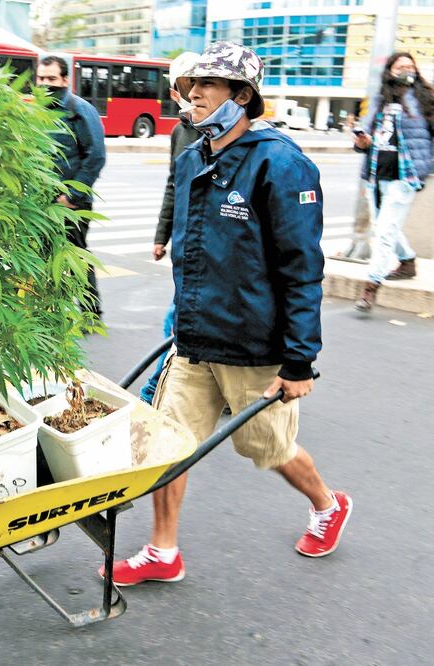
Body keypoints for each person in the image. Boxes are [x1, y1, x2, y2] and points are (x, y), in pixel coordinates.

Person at [102, 42, 352, 587]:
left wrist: (300, 362)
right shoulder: (194, 157)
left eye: (209, 85)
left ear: (242, 97)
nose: (193, 93)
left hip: (252, 344)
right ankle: (162, 550)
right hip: (195, 338)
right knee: (169, 444)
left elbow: (301, 269)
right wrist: (179, 318)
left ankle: (328, 504)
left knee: (269, 448)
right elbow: (195, 251)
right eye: (193, 84)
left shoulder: (281, 164)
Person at [140, 51, 201, 404]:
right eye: (183, 88)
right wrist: (162, 234)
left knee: (177, 321)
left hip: (205, 242)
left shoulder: (226, 134)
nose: (191, 94)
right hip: (185, 238)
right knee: (182, 316)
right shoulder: (181, 131)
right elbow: (174, 183)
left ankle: (153, 392)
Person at [353, 52, 434, 312]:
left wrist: (426, 168)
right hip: (378, 173)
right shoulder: (380, 99)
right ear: (390, 70)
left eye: (410, 66)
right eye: (401, 66)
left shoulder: (425, 99)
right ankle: (408, 260)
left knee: (385, 230)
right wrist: (361, 141)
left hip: (406, 175)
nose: (406, 70)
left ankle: (371, 286)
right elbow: (364, 132)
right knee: (384, 224)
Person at [36, 55, 106, 319]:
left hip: (71, 203)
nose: (45, 84)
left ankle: (90, 312)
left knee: (75, 256)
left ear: (65, 80)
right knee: (43, 256)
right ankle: (48, 311)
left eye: (51, 79)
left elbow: (96, 155)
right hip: (42, 202)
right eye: (41, 78)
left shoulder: (79, 110)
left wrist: (72, 196)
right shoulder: (39, 111)